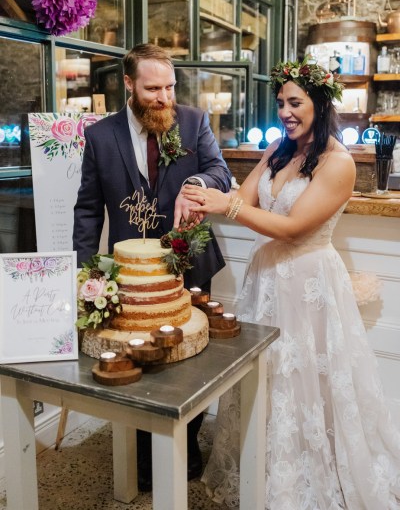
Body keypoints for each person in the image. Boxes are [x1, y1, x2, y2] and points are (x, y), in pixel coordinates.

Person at [182, 57, 400, 509]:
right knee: (267, 375)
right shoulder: (279, 150)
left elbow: (292, 228)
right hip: (265, 280)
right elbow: (242, 196)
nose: (285, 111)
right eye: (281, 102)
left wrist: (228, 207)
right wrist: (203, 196)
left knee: (306, 377)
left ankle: (309, 474)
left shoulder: (338, 163)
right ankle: (260, 464)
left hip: (309, 284)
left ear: (320, 103)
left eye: (295, 102)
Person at [73, 42, 232, 492]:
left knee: (189, 360)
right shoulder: (101, 136)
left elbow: (220, 172)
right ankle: (145, 451)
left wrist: (196, 184)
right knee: (141, 358)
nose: (164, 97)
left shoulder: (194, 121)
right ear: (128, 84)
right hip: (131, 274)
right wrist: (87, 274)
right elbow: (87, 210)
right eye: (152, 89)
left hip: (192, 260)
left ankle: (189, 441)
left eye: (169, 87)